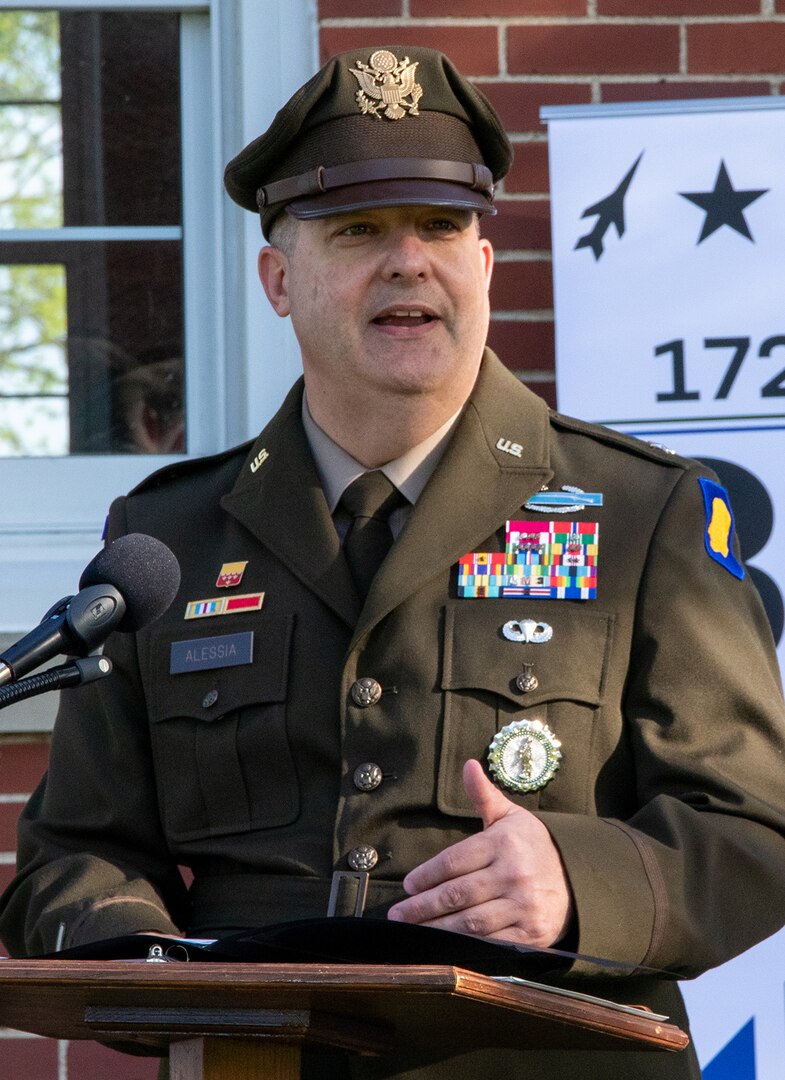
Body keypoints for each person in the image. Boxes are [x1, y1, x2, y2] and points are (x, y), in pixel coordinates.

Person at [3, 44, 785, 1080]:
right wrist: (149, 961)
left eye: (439, 226)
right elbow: (75, 852)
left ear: (482, 266)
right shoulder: (169, 541)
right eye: (359, 230)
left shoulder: (643, 511)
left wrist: (575, 880)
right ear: (278, 279)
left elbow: (752, 833)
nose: (408, 260)